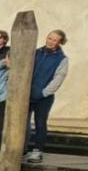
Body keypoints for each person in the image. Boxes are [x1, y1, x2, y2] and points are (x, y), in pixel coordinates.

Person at [26, 29, 69, 162]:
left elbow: (58, 79)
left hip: (43, 97)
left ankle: (37, 151)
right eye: (49, 38)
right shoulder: (36, 53)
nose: (51, 42)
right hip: (26, 94)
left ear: (60, 42)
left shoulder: (62, 59)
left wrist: (43, 93)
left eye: (55, 40)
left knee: (40, 123)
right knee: (22, 123)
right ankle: (21, 148)